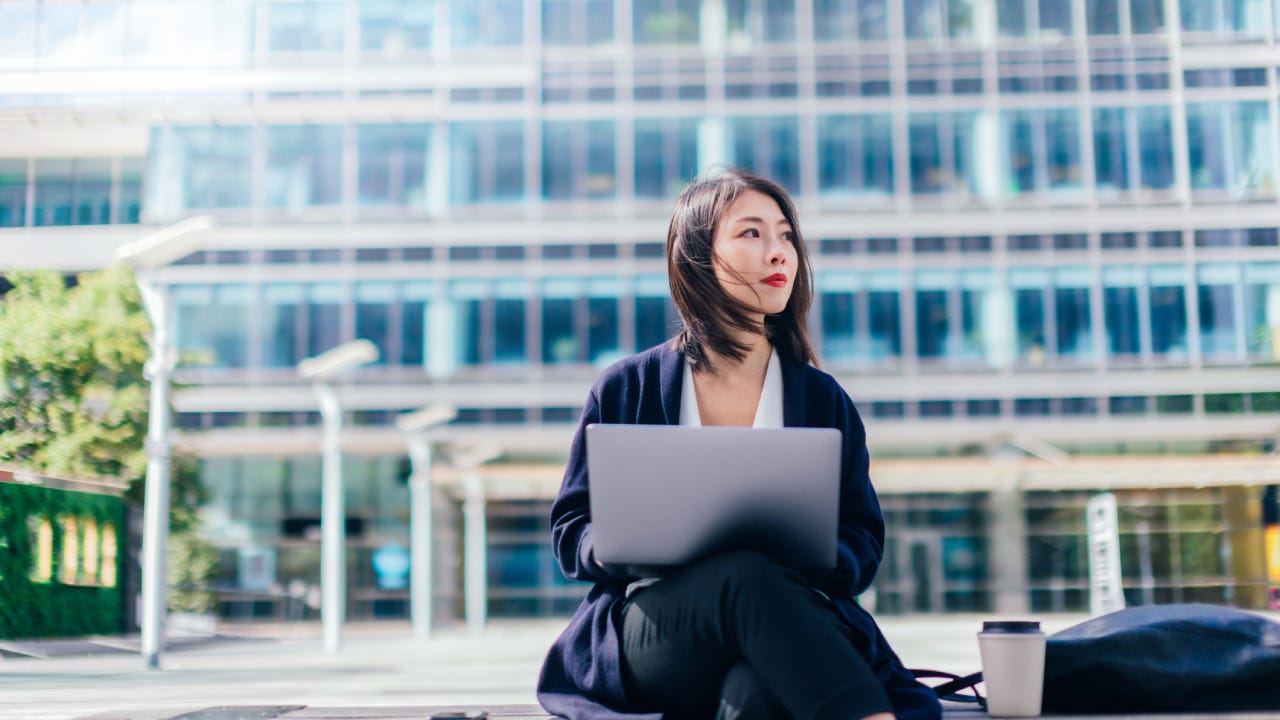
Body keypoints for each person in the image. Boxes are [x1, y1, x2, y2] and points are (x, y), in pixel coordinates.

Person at [537, 168, 942, 720]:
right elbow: (570, 531)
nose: (779, 253)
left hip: (785, 617)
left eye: (785, 235)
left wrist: (823, 556)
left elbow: (863, 540)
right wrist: (610, 543)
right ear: (698, 256)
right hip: (658, 633)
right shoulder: (626, 387)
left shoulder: (822, 400)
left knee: (754, 691)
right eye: (751, 233)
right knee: (744, 575)